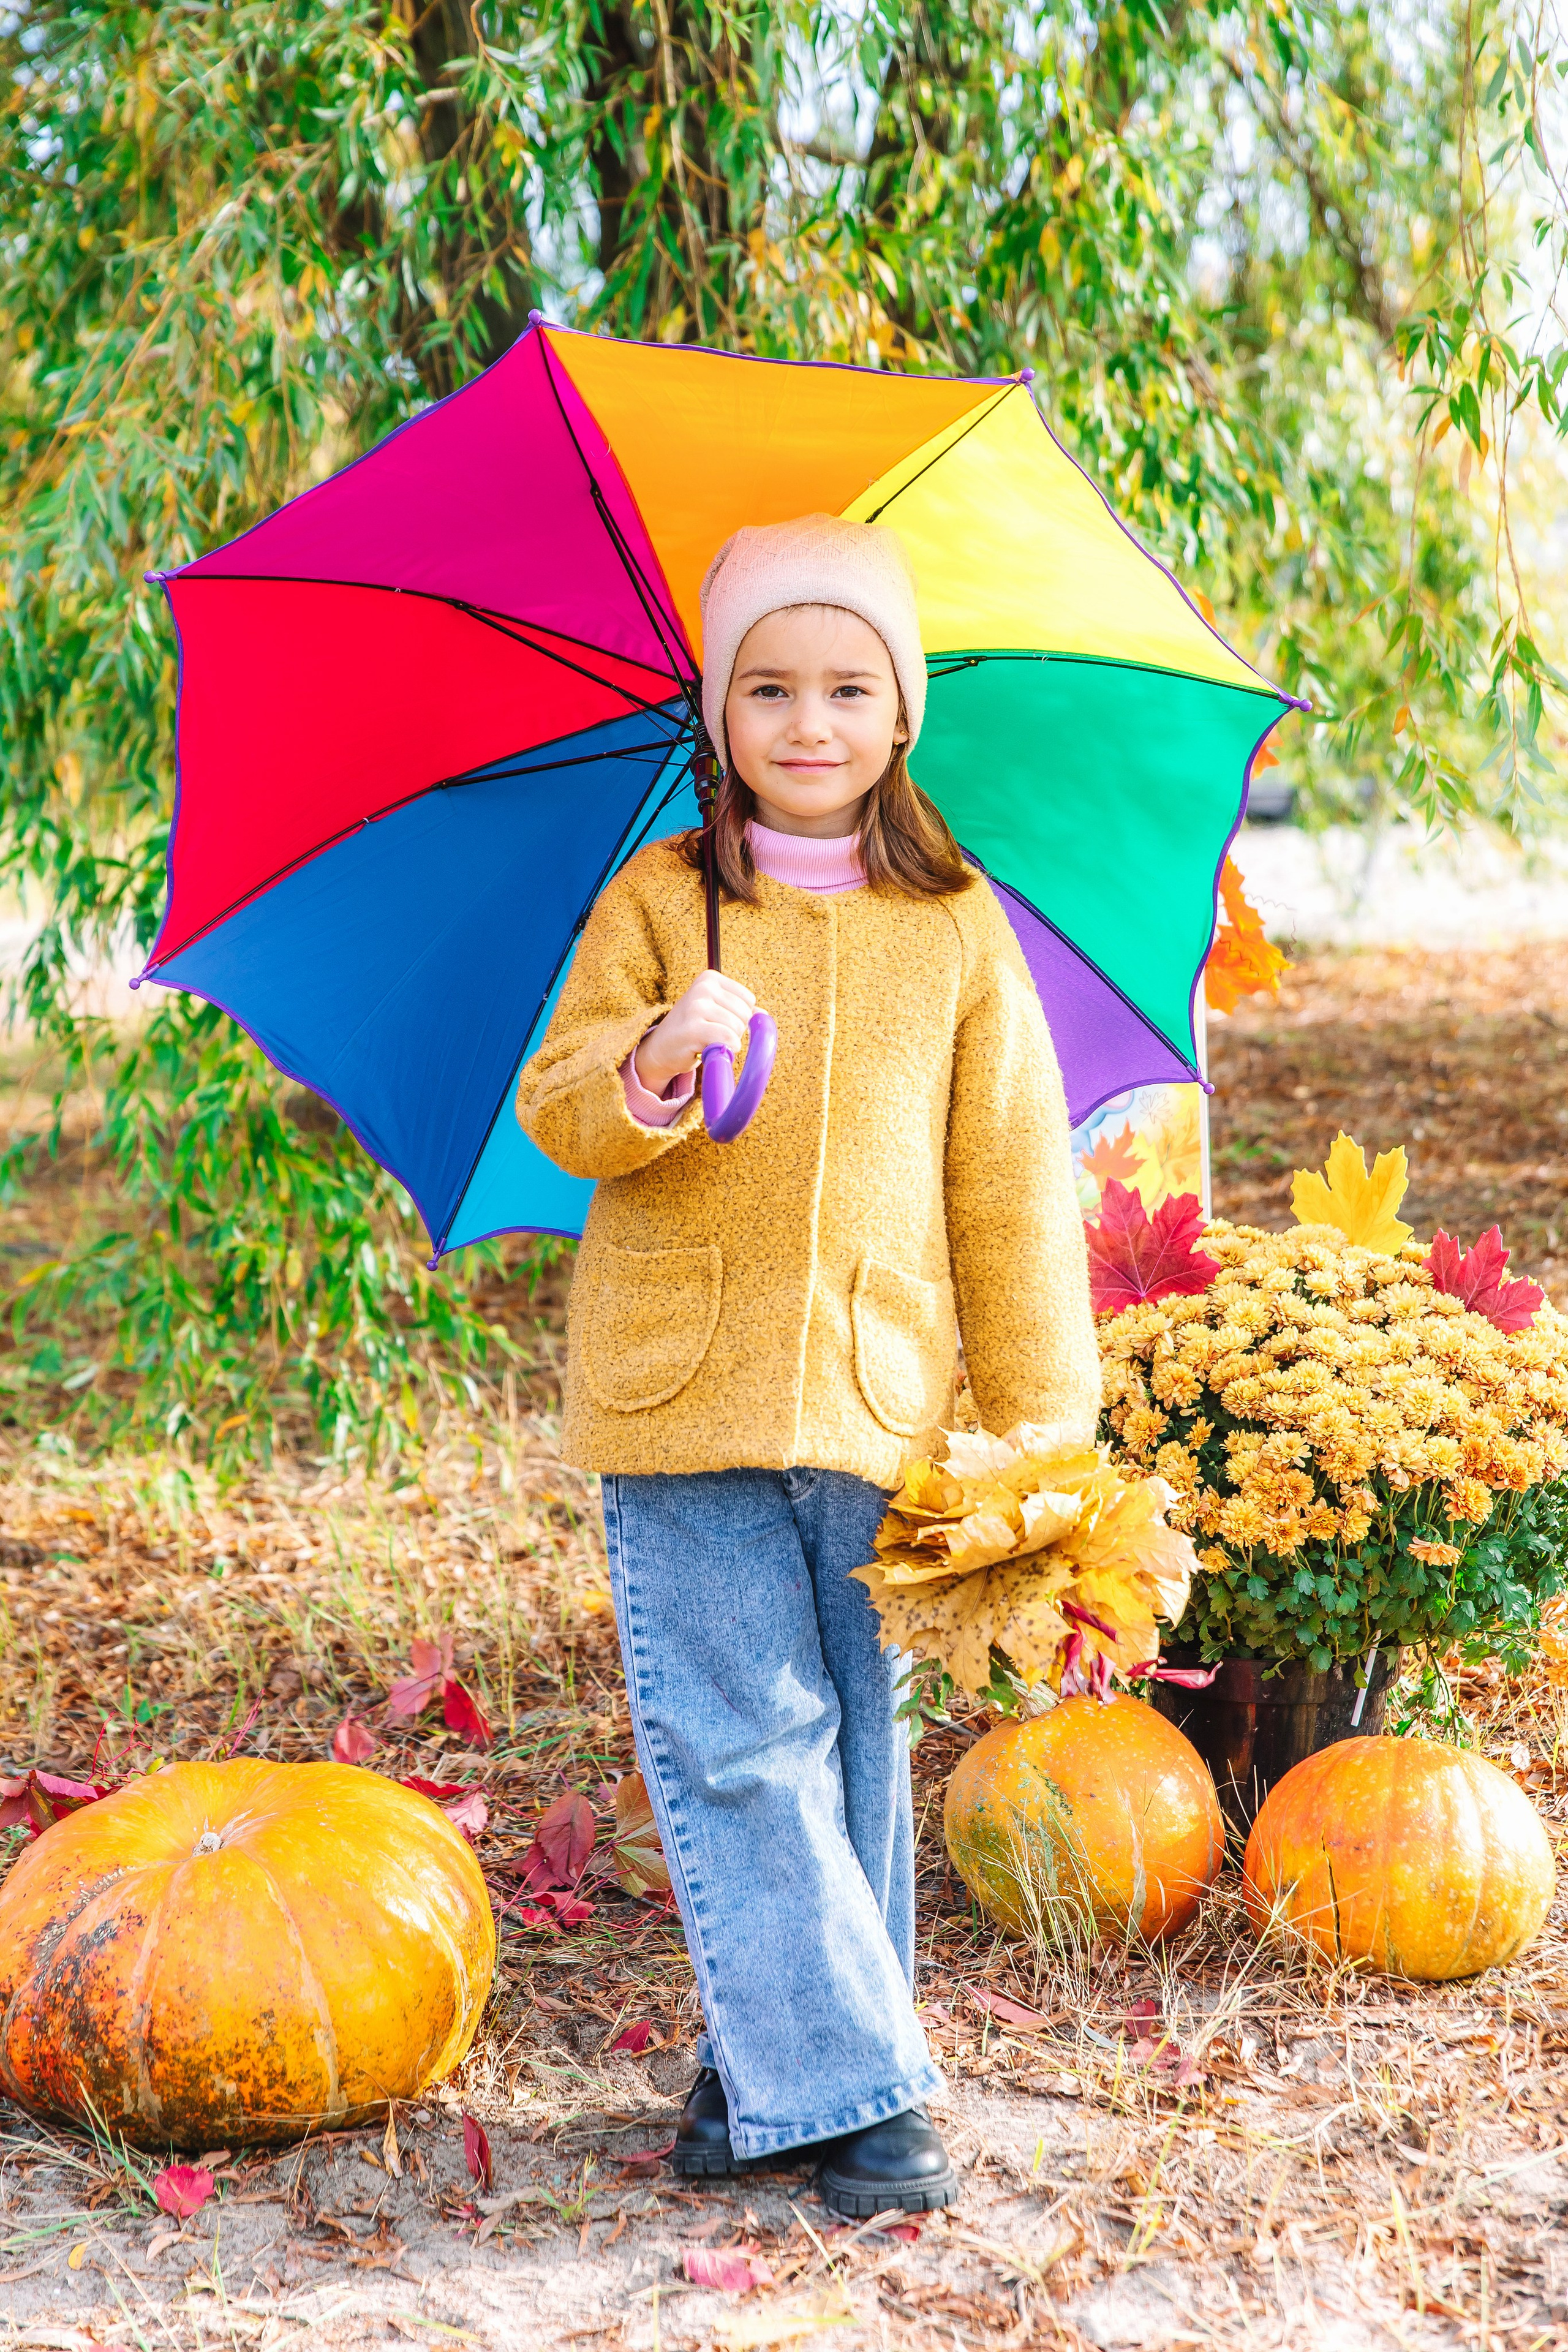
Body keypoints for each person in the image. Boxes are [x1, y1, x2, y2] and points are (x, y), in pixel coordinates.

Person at [515, 513, 1099, 2215]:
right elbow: (563, 1109)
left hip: (880, 1394)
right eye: (769, 689)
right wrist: (649, 1060)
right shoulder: (662, 901)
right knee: (732, 1742)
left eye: (848, 688)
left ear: (900, 716)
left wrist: (1043, 1426)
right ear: (720, 713)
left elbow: (1011, 1193)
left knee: (847, 1751)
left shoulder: (958, 929)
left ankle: (774, 2072)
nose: (811, 723)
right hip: (679, 1393)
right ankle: (866, 2091)